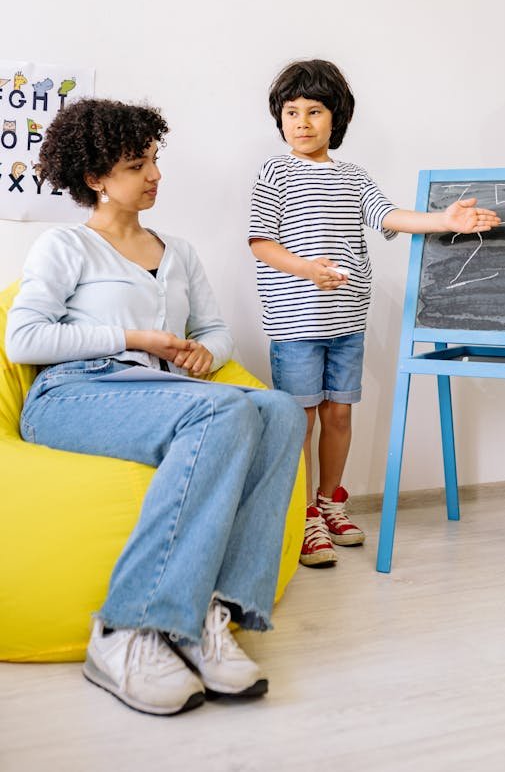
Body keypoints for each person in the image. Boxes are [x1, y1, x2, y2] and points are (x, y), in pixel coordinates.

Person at [6, 98, 306, 716]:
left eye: (154, 160)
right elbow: (24, 339)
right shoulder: (65, 247)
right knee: (225, 413)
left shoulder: (180, 251)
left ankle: (207, 617)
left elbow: (217, 328)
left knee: (280, 410)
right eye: (137, 164)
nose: (154, 175)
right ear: (95, 179)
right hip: (72, 393)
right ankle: (127, 631)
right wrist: (135, 339)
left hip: (162, 392)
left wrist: (202, 351)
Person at [249, 59, 500, 567]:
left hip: (346, 321)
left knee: (338, 413)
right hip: (296, 322)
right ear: (279, 119)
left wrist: (443, 220)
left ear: (335, 119)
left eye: (314, 111)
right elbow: (260, 242)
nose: (301, 122)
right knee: (299, 419)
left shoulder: (354, 176)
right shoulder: (273, 172)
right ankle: (301, 517)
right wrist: (305, 269)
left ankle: (329, 502)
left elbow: (388, 217)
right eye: (291, 112)